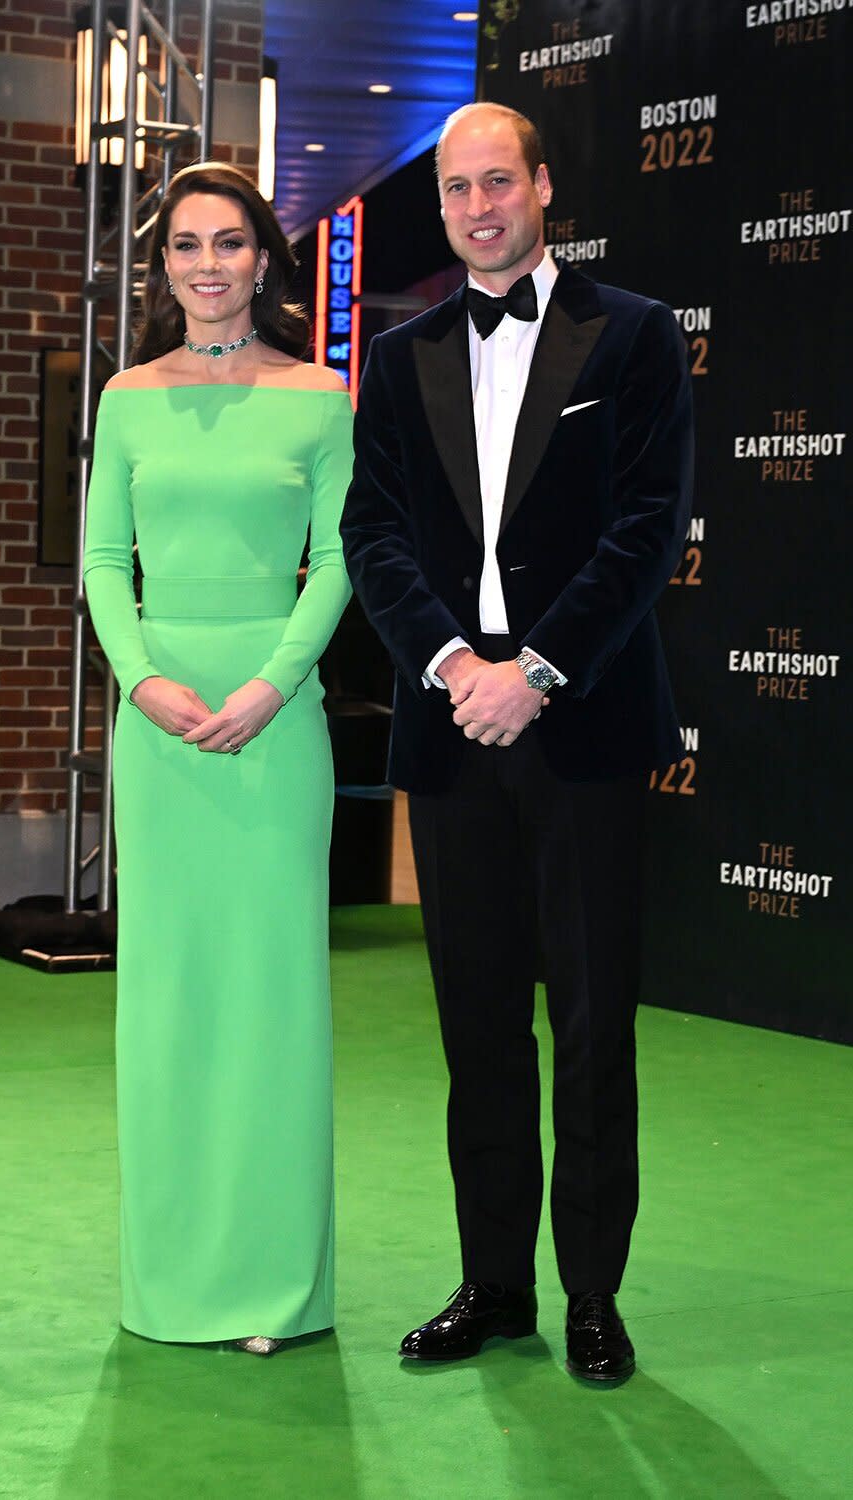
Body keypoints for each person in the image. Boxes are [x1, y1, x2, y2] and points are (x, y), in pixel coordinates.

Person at [341, 103, 693, 1382]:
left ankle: (592, 1293)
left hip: (581, 716)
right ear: (438, 206)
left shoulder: (638, 335)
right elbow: (372, 533)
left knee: (594, 1022)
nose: (479, 207)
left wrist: (534, 671)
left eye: (500, 182)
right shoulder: (400, 354)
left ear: (543, 187)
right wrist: (450, 666)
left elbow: (649, 527)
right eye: (455, 190)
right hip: (450, 726)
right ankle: (494, 1285)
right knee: (475, 1023)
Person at [83, 163, 352, 1356]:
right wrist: (143, 682)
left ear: (264, 262)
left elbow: (342, 562)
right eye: (185, 245)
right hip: (158, 728)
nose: (206, 264)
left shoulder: (323, 398)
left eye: (229, 243)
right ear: (163, 266)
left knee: (272, 1000)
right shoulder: (126, 397)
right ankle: (174, 1280)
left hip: (274, 721)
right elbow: (101, 564)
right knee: (171, 1000)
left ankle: (271, 1287)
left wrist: (270, 683)